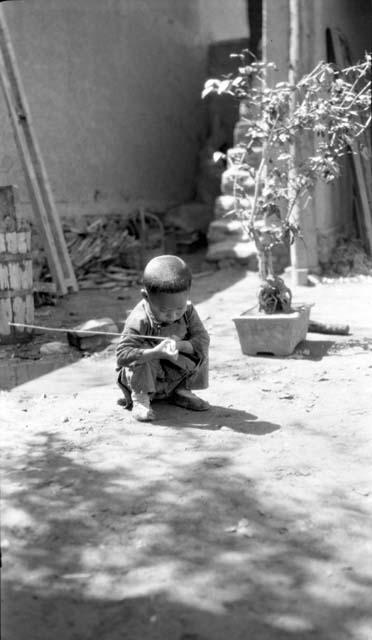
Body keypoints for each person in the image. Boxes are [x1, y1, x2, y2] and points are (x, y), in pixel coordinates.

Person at [116, 255, 210, 421]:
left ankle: (181, 391)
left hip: (173, 376)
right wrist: (155, 353)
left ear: (188, 294)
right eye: (165, 311)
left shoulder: (188, 311)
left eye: (178, 309)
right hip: (143, 379)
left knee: (200, 346)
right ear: (146, 296)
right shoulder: (139, 320)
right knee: (144, 348)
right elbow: (122, 356)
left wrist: (180, 345)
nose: (172, 316)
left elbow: (202, 339)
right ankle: (141, 399)